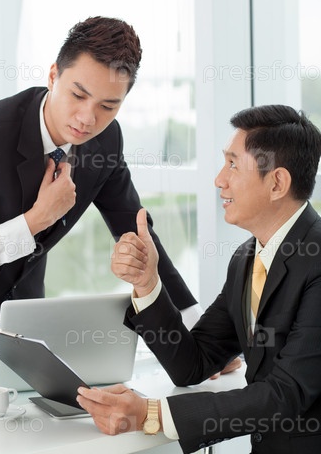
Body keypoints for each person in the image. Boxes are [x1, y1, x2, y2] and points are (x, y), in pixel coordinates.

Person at [0, 16, 204, 365]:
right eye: (78, 95)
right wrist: (36, 220)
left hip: (15, 340)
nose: (87, 118)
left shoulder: (105, 142)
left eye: (108, 106)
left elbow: (137, 231)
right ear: (53, 75)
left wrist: (192, 326)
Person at [77, 104, 321, 454]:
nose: (220, 179)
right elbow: (193, 363)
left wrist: (151, 414)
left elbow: (286, 394)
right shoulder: (247, 259)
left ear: (277, 183)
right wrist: (147, 284)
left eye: (233, 164)